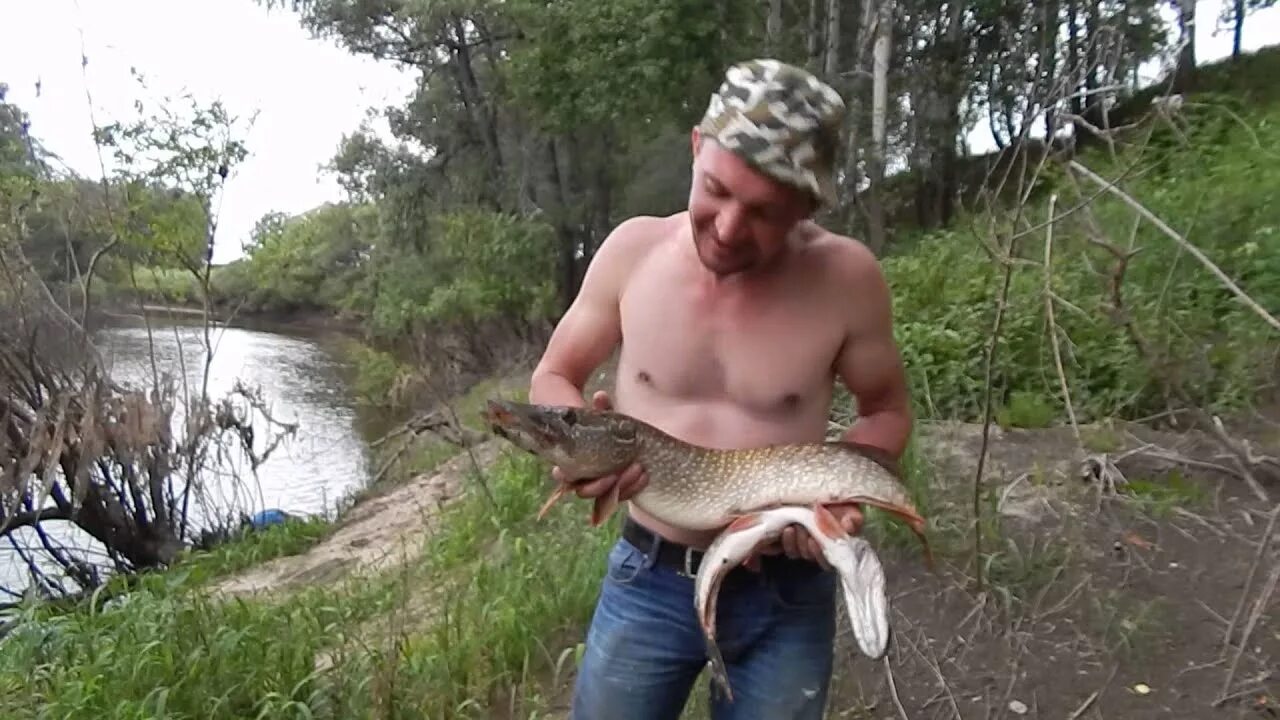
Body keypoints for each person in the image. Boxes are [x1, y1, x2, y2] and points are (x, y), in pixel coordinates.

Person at [527, 58, 913, 720]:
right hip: (648, 580)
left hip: (787, 594)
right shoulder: (631, 253)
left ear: (808, 207)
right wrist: (579, 447)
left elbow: (886, 411)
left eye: (766, 213)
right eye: (716, 191)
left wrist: (837, 500)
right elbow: (554, 373)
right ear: (697, 147)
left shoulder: (847, 280)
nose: (730, 228)